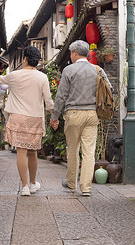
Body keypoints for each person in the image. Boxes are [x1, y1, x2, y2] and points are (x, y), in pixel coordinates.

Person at [0, 46, 54, 196]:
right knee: (33, 151)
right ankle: (33, 183)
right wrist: (54, 116)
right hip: (35, 118)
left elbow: (0, 79)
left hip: (18, 117)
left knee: (21, 151)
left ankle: (24, 187)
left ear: (25, 59)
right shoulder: (42, 77)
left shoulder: (14, 75)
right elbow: (48, 101)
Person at [50, 40, 111, 196]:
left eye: (71, 53)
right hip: (92, 114)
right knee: (89, 152)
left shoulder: (69, 70)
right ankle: (86, 188)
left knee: (72, 150)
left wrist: (55, 116)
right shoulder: (98, 69)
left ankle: (71, 183)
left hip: (74, 114)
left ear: (75, 53)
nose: (70, 56)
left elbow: (61, 95)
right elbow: (109, 88)